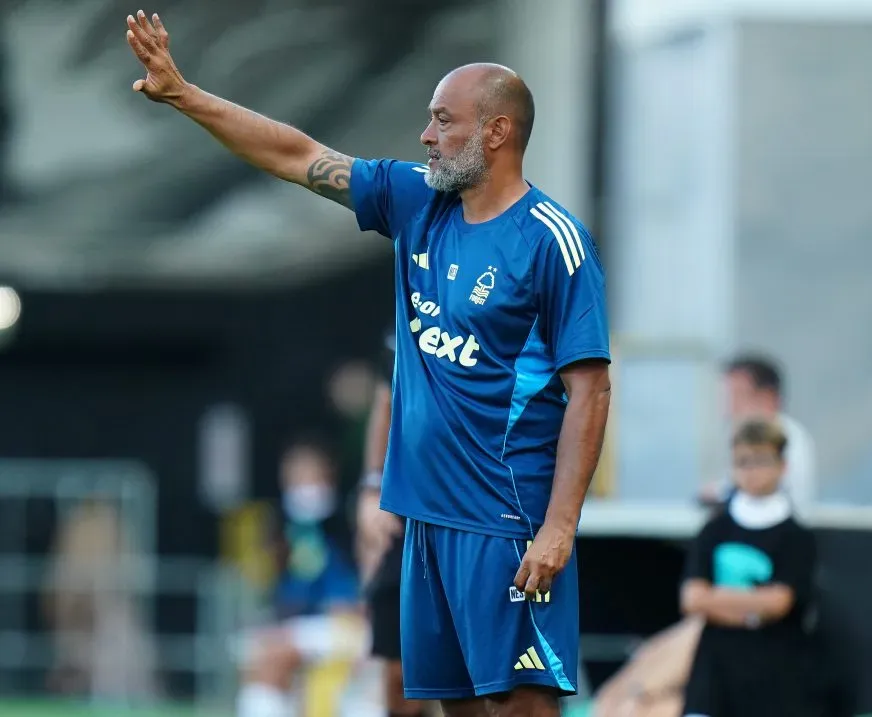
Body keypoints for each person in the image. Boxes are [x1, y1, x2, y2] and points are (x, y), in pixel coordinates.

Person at [124, 12, 612, 717]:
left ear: (496, 132)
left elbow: (591, 389)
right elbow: (299, 155)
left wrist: (560, 524)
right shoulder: (418, 201)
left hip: (507, 522)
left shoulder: (551, 242)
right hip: (424, 519)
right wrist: (184, 94)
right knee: (449, 708)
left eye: (443, 120)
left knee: (522, 708)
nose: (426, 135)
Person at [682, 418, 817, 717]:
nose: (751, 471)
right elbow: (693, 598)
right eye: (743, 462)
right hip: (714, 675)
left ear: (783, 466)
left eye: (761, 461)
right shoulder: (714, 530)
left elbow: (780, 601)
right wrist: (754, 609)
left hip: (774, 678)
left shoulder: (797, 537)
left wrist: (717, 598)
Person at [237, 438, 367, 717]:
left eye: (311, 478)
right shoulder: (283, 530)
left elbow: (349, 600)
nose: (304, 489)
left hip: (347, 625)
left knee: (270, 657)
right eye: (296, 479)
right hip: (304, 625)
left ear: (329, 479)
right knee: (258, 662)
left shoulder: (348, 526)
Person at [357, 332, 428, 717]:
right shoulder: (411, 313)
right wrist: (371, 487)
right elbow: (386, 399)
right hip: (408, 517)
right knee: (398, 674)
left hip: (478, 510)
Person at [702, 354, 816, 511]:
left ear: (768, 397)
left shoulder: (788, 437)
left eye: (737, 396)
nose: (729, 408)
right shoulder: (736, 436)